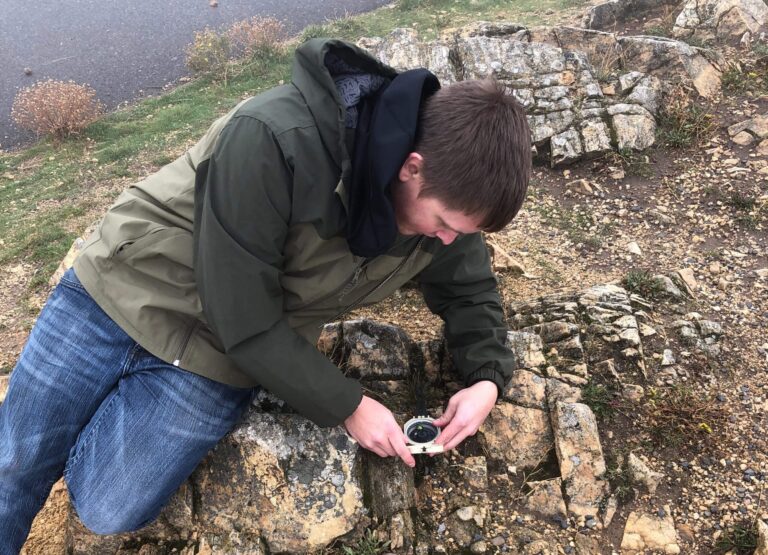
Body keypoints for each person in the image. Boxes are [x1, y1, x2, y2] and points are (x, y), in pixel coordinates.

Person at [0, 37, 531, 550]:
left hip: (219, 358)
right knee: (13, 466)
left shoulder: (446, 211)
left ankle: (76, 434)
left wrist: (486, 377)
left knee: (109, 508)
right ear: (411, 168)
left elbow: (470, 291)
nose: (448, 240)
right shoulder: (275, 136)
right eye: (443, 224)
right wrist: (348, 405)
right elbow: (243, 313)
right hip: (124, 288)